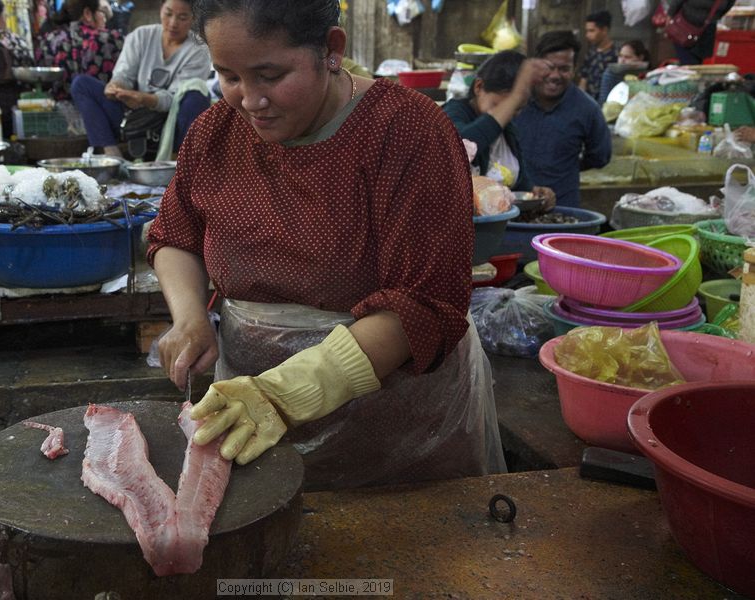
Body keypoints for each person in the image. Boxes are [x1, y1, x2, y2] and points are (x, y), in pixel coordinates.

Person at [147, 0, 505, 490]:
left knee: (396, 556)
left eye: (269, 75)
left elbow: (424, 304)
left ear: (331, 50)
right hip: (250, 413)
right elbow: (175, 233)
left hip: (398, 425)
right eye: (228, 76)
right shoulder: (214, 133)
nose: (250, 100)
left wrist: (286, 392)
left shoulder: (408, 132)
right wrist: (189, 318)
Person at [70, 0, 211, 157]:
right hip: (134, 119)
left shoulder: (199, 50)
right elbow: (124, 75)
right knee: (81, 84)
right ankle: (110, 153)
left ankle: (183, 159)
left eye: (182, 17)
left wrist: (143, 98)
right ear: (161, 10)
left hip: (170, 123)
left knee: (197, 94)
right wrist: (116, 86)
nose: (173, 23)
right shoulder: (141, 35)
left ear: (193, 18)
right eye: (168, 14)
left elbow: (173, 100)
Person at [442, 50, 556, 209]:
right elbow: (461, 146)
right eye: (501, 107)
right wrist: (515, 97)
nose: (507, 116)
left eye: (516, 109)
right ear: (479, 87)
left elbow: (517, 182)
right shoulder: (452, 114)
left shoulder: (508, 130)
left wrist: (534, 191)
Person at [513, 31, 611, 208]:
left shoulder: (587, 109)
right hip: (513, 204)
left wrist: (564, 166)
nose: (555, 76)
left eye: (564, 69)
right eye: (549, 67)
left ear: (574, 69)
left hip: (563, 207)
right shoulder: (514, 100)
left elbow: (600, 156)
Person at [36, 0, 123, 97]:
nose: (104, 19)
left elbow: (41, 81)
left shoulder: (48, 41)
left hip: (58, 109)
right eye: (102, 12)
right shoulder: (111, 39)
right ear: (88, 13)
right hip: (100, 110)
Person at [667, 0, 736, 65]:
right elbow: (727, 6)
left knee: (691, 66)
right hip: (690, 27)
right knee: (693, 66)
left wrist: (670, 15)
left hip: (692, 27)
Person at [578, 10, 617, 100]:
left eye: (591, 31)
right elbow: (583, 80)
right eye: (587, 31)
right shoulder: (590, 53)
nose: (587, 35)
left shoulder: (616, 55)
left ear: (604, 30)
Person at [597, 39, 650, 105]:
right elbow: (603, 101)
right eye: (620, 56)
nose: (622, 61)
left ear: (641, 57)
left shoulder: (650, 75)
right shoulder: (611, 73)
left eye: (627, 57)